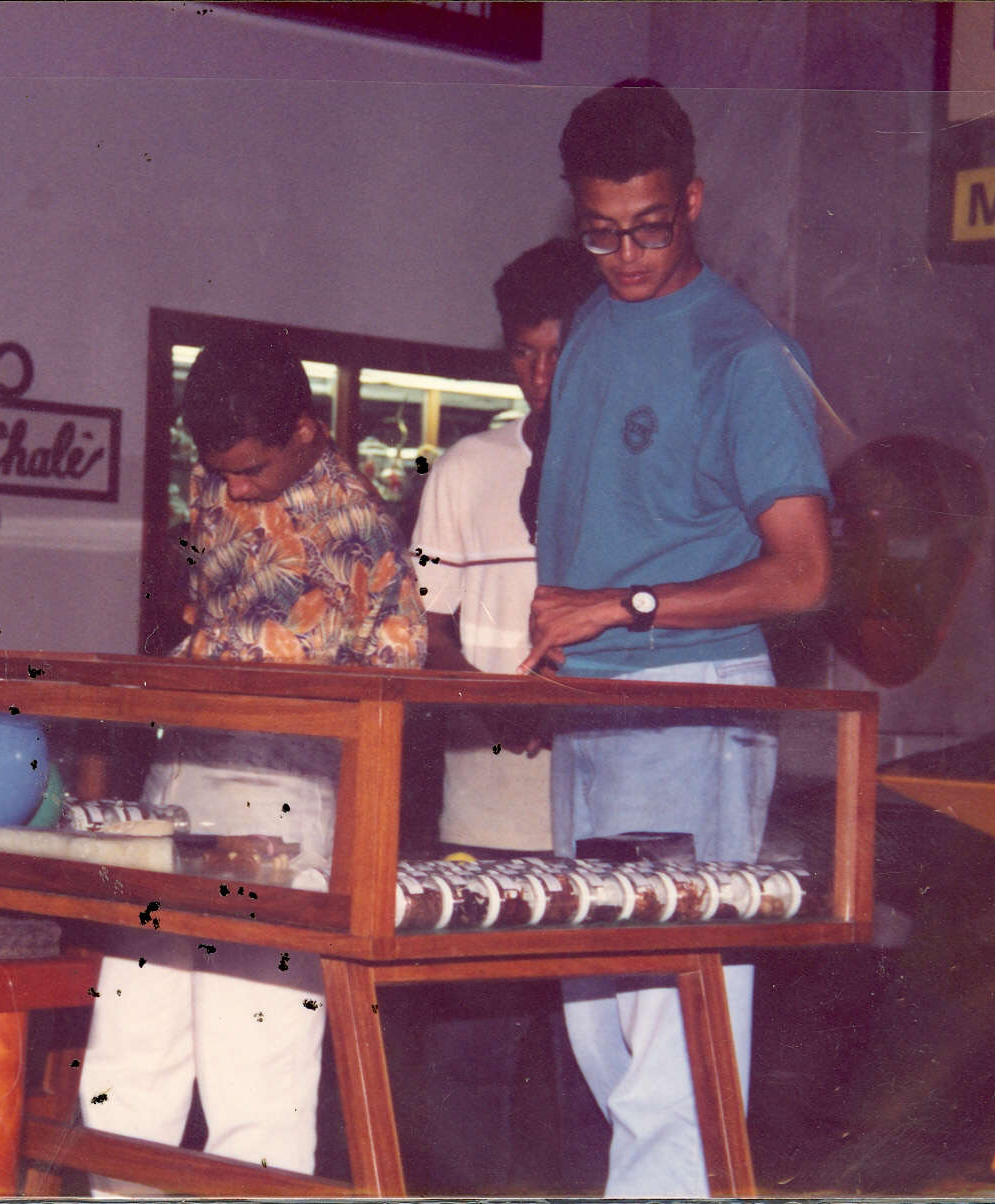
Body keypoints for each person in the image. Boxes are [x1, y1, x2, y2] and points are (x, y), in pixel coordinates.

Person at [523, 80, 832, 1198]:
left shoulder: (742, 352)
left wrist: (624, 605)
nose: (626, 256)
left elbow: (803, 571)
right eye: (600, 231)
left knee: (672, 1030)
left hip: (692, 700)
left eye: (650, 228)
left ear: (692, 200)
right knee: (599, 1019)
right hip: (590, 707)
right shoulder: (591, 328)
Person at [78, 333, 426, 1190]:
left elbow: (400, 661)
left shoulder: (356, 524)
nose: (231, 487)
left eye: (250, 470)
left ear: (305, 432)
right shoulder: (217, 480)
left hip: (282, 795)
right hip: (182, 778)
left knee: (254, 1054)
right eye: (218, 469)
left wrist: (207, 654)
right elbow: (204, 597)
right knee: (134, 1040)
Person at [409, 237, 606, 1194]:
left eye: (556, 354)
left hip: (596, 805)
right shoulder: (467, 467)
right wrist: (485, 700)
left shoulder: (626, 467)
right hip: (482, 807)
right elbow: (423, 626)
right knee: (468, 1051)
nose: (537, 376)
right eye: (522, 354)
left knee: (590, 1063)